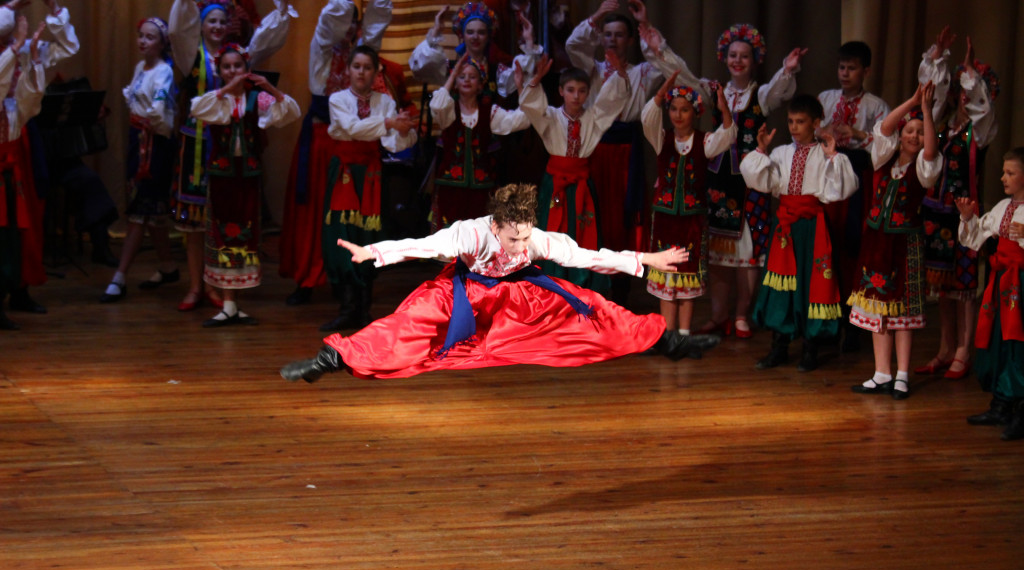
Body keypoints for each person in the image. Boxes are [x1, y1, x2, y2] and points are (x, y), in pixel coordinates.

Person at [280, 183, 716, 382]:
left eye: (526, 236)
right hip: (465, 290)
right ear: (496, 225)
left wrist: (646, 260)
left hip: (519, 293)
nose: (522, 243)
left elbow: (589, 257)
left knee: (592, 306)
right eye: (513, 238)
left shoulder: (535, 237)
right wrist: (374, 252)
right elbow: (423, 246)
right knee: (409, 322)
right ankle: (330, 360)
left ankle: (668, 342)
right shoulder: (470, 233)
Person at [651, 22, 805, 339]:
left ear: (754, 60)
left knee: (748, 253)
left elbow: (780, 89)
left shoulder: (761, 94)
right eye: (733, 55)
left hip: (749, 180)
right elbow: (684, 75)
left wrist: (788, 69)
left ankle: (741, 315)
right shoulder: (713, 90)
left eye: (744, 56)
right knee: (718, 253)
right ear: (724, 57)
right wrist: (659, 48)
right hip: (717, 179)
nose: (738, 61)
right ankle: (719, 315)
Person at [168, 0, 297, 313]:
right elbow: (177, 29)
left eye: (221, 21)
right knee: (194, 220)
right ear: (200, 25)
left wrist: (281, 14)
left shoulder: (236, 57)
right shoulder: (191, 54)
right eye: (210, 21)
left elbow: (268, 42)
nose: (216, 26)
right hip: (196, 146)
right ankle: (195, 285)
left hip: (230, 149)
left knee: (223, 217)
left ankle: (216, 285)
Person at [277, 0, 402, 308]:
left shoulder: (362, 56)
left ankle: (346, 279)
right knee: (313, 210)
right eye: (344, 21)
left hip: (355, 145)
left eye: (353, 22)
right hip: (322, 140)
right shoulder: (322, 48)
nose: (347, 28)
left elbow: (377, 22)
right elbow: (330, 22)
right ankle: (307, 277)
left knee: (351, 215)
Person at [565, 0, 675, 303]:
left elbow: (668, 65)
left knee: (624, 215)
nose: (612, 40)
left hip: (627, 154)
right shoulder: (592, 70)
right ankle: (593, 283)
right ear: (601, 38)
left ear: (629, 40)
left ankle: (622, 287)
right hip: (596, 149)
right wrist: (597, 15)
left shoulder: (642, 72)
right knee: (595, 213)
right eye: (608, 34)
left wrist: (646, 26)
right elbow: (573, 45)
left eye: (619, 35)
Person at [740, 94, 858, 371]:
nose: (794, 127)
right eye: (791, 121)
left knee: (810, 284)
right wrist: (761, 151)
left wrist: (833, 156)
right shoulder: (781, 153)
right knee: (782, 285)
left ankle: (810, 347)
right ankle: (779, 346)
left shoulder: (824, 154)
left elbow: (842, 188)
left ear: (816, 123)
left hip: (811, 228)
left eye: (800, 122)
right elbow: (762, 181)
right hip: (785, 227)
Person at [188, 42, 299, 327]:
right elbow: (197, 109)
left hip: (247, 177)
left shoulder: (257, 99)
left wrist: (270, 88)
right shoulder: (217, 99)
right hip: (222, 177)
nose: (232, 71)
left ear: (247, 68)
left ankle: (233, 305)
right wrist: (225, 89)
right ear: (219, 71)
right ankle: (228, 304)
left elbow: (290, 112)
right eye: (226, 67)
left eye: (238, 66)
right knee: (223, 234)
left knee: (245, 236)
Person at [848, 83, 941, 400]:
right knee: (878, 308)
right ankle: (881, 373)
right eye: (910, 131)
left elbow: (931, 152)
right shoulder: (883, 157)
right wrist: (913, 101)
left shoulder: (924, 168)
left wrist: (926, 112)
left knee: (903, 312)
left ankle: (901, 375)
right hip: (877, 243)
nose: (914, 136)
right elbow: (885, 127)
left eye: (920, 132)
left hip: (905, 246)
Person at [916, 28, 999, 382]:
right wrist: (938, 56)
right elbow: (930, 98)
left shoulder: (979, 131)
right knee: (944, 288)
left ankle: (965, 348)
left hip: (964, 213)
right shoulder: (944, 127)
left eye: (968, 91)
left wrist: (970, 74)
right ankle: (946, 347)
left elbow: (981, 107)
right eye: (959, 90)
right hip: (937, 214)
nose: (962, 97)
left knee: (965, 286)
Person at [319, 44, 417, 332]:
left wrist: (403, 130)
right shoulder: (338, 99)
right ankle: (347, 307)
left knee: (369, 235)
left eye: (367, 67)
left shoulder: (384, 101)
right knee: (341, 234)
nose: (361, 72)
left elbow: (392, 143)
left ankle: (363, 310)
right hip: (345, 174)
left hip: (372, 175)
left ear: (375, 73)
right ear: (348, 70)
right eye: (356, 66)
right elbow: (351, 128)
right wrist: (388, 123)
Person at [514, 53, 628, 293]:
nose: (576, 96)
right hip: (555, 185)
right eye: (571, 90)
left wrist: (620, 75)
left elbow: (612, 101)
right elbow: (532, 107)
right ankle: (550, 284)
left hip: (581, 184)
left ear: (588, 93)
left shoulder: (593, 118)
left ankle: (582, 285)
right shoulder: (551, 117)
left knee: (582, 230)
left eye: (582, 91)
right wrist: (535, 80)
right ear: (561, 91)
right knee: (552, 230)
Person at [0, 0, 78, 318]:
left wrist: (54, 8)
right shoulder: (11, 46)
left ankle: (20, 287)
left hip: (19, 138)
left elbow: (68, 46)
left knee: (28, 214)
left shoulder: (22, 47)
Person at [641, 74, 735, 337]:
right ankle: (669, 335)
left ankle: (683, 335)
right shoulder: (661, 138)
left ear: (695, 113)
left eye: (684, 110)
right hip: (665, 221)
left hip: (691, 222)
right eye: (673, 109)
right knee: (666, 277)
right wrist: (661, 92)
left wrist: (724, 108)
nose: (678, 115)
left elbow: (728, 135)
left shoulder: (704, 141)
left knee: (688, 276)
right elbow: (647, 118)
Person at [818, 40, 890, 352]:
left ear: (866, 71)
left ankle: (853, 322)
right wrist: (825, 133)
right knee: (827, 244)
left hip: (859, 178)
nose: (845, 73)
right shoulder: (826, 98)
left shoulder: (876, 106)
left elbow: (887, 145)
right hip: (828, 176)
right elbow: (810, 131)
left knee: (853, 245)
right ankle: (826, 318)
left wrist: (858, 134)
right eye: (842, 67)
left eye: (852, 68)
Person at [100, 17, 177, 304]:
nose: (143, 41)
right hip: (139, 139)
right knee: (152, 212)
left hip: (154, 144)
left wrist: (149, 124)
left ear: (162, 43)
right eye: (141, 36)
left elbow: (159, 109)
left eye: (150, 37)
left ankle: (119, 277)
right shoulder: (139, 68)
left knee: (139, 210)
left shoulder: (164, 71)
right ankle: (168, 266)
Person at [957, 148, 1024, 441]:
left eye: (1010, 173)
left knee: (1018, 343)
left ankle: (1021, 410)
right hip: (1001, 283)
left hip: (1021, 284)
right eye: (1004, 172)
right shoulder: (1002, 207)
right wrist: (968, 218)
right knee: (999, 340)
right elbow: (975, 238)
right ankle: (1001, 404)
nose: (1003, 178)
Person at [429, 52, 529, 232]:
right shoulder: (448, 110)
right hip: (450, 188)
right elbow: (436, 104)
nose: (467, 80)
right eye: (462, 77)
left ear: (481, 85)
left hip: (481, 190)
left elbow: (522, 119)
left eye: (472, 77)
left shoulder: (489, 112)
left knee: (479, 234)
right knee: (451, 235)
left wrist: (520, 86)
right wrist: (452, 74)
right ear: (455, 83)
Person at [0, 16, 45, 329]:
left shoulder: (13, 106)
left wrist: (35, 60)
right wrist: (16, 46)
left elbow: (32, 100)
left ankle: (12, 291)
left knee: (11, 237)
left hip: (9, 173)